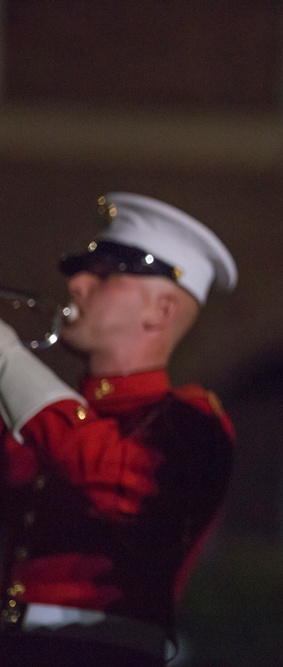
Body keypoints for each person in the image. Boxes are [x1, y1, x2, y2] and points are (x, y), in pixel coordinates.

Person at [0, 192, 238, 666]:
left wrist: (7, 357)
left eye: (105, 274)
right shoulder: (43, 416)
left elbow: (111, 480)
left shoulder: (191, 421)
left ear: (161, 312)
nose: (77, 284)